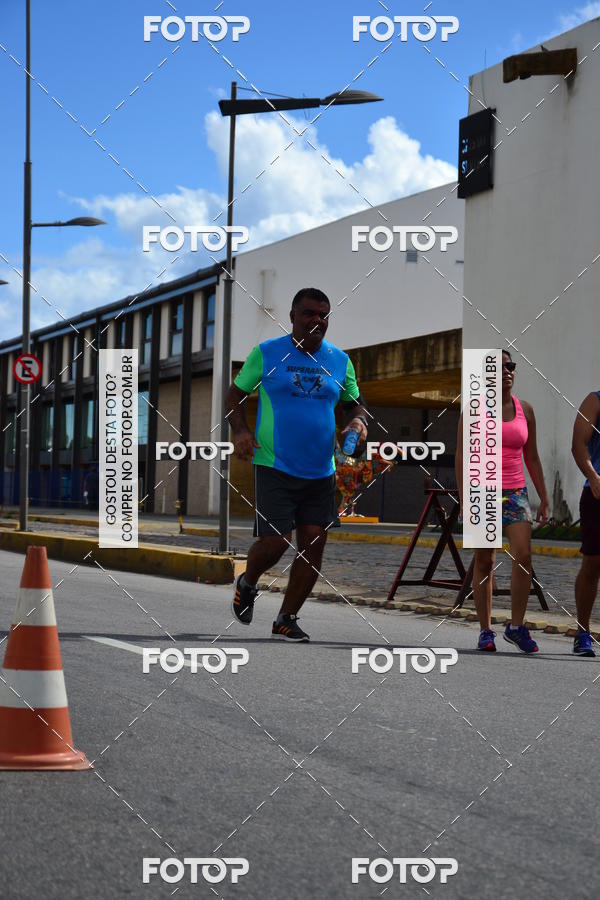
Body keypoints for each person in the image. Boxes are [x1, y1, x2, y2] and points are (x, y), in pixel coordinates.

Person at [225, 287, 369, 642]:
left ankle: (286, 618)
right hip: (275, 464)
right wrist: (240, 430)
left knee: (313, 543)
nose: (317, 320)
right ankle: (248, 581)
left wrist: (358, 421)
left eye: (323, 314)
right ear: (292, 316)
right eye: (309, 313)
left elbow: (355, 404)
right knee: (275, 542)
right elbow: (234, 395)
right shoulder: (267, 353)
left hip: (321, 470)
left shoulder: (340, 360)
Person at [456, 350, 550, 653]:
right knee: (485, 561)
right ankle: (485, 630)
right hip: (482, 491)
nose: (507, 371)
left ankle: (516, 626)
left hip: (515, 492)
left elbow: (532, 457)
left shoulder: (527, 410)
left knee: (523, 556)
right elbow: (461, 455)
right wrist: (464, 495)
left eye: (511, 366)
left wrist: (544, 498)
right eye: (500, 367)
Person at [571, 390, 600, 656]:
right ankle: (583, 631)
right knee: (593, 563)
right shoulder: (595, 400)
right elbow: (578, 444)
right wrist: (593, 476)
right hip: (597, 494)